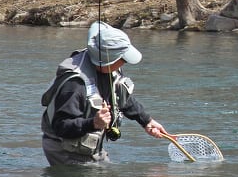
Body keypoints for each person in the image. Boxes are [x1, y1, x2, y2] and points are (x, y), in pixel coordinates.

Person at [41, 21, 169, 166]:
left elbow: (121, 96)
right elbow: (61, 126)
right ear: (108, 59)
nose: (124, 62)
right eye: (122, 59)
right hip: (64, 150)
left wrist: (146, 121)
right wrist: (94, 123)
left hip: (89, 147)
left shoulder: (110, 69)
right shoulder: (75, 84)